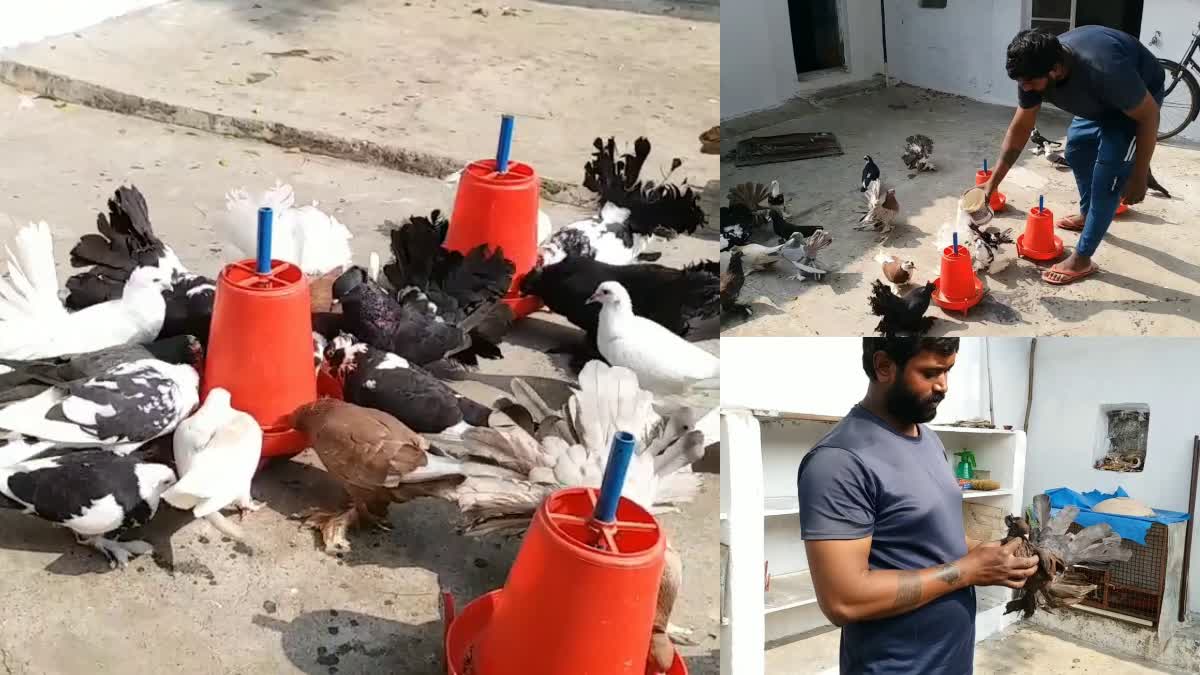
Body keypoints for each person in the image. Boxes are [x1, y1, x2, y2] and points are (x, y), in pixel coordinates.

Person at [796, 337, 1038, 675]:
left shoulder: (928, 439)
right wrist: (968, 571)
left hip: (952, 660)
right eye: (930, 373)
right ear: (884, 366)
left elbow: (934, 537)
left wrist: (993, 556)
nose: (944, 386)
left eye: (948, 371)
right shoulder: (840, 461)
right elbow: (843, 599)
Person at [982, 27, 1165, 285]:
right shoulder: (1034, 69)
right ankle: (1090, 214)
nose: (1026, 89)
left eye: (1031, 82)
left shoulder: (1105, 69)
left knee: (1107, 180)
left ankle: (1082, 259)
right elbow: (1021, 127)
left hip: (1135, 101)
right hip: (1100, 101)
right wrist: (993, 183)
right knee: (1076, 149)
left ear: (1056, 69)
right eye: (1021, 83)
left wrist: (1138, 173)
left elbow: (1149, 116)